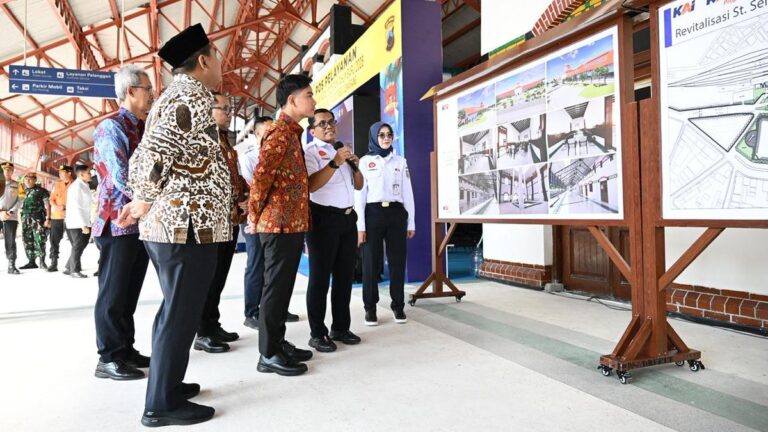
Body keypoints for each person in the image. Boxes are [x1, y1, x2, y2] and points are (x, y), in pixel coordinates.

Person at [122, 23, 231, 427]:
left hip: (185, 226)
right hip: (184, 227)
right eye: (216, 55)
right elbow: (150, 155)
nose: (220, 63)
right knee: (180, 313)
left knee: (177, 310)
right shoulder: (190, 97)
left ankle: (168, 383)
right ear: (203, 61)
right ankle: (160, 405)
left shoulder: (182, 97)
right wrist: (143, 199)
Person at [247, 74, 315, 377]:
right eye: (309, 95)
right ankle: (268, 353)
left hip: (290, 223)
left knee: (283, 287)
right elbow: (261, 179)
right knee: (274, 289)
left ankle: (278, 341)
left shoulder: (291, 132)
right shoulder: (278, 133)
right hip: (277, 225)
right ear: (292, 101)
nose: (313, 101)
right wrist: (254, 216)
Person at [92, 64, 154, 382]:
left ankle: (125, 348)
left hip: (138, 222)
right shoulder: (110, 128)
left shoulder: (143, 128)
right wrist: (151, 197)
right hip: (116, 222)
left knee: (129, 293)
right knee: (113, 293)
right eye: (147, 89)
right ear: (130, 91)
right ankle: (109, 357)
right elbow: (121, 176)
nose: (151, 94)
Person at [304, 108, 363, 352]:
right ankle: (317, 333)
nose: (329, 126)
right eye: (322, 123)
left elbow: (358, 186)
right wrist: (335, 163)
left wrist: (354, 166)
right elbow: (311, 185)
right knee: (319, 279)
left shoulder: (342, 150)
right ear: (312, 130)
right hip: (322, 220)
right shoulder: (309, 152)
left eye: (331, 121)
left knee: (344, 277)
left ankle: (341, 327)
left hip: (348, 219)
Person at [193, 92, 248, 354]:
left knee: (219, 277)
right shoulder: (203, 140)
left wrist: (246, 194)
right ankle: (202, 331)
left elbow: (234, 177)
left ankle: (212, 324)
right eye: (223, 108)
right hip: (212, 221)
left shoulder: (225, 141)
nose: (228, 112)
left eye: (229, 108)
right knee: (207, 278)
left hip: (231, 219)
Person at [236, 116, 300, 329]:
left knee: (275, 268)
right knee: (257, 263)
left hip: (276, 218)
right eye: (265, 133)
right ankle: (252, 311)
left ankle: (276, 309)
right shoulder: (250, 157)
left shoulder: (281, 150)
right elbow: (255, 185)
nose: (270, 137)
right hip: (256, 217)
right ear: (256, 135)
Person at [355, 122, 415, 326]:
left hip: (396, 214)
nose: (386, 138)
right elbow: (359, 196)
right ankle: (370, 308)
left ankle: (398, 307)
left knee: (398, 262)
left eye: (389, 134)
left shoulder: (400, 161)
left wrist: (411, 222)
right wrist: (360, 227)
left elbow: (408, 193)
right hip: (373, 213)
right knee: (371, 263)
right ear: (374, 137)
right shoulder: (364, 162)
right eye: (381, 135)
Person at [63, 164, 92, 278]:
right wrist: (83, 224)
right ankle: (74, 270)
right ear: (81, 174)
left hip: (83, 220)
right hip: (77, 222)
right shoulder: (77, 187)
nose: (90, 175)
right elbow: (76, 207)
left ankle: (68, 267)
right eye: (89, 173)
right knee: (78, 245)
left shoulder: (84, 185)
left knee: (79, 245)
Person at [19, 172, 50, 270]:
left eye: (30, 179)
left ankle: (42, 262)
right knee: (27, 240)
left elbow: (47, 205)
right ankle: (31, 262)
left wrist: (48, 218)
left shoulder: (41, 191)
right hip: (25, 219)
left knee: (39, 239)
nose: (28, 181)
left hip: (38, 219)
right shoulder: (22, 191)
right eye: (26, 179)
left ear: (35, 180)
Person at [48, 165, 73, 272]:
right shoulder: (57, 184)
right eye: (60, 172)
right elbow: (51, 199)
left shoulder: (76, 184)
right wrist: (56, 206)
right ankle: (53, 263)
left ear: (69, 173)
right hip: (57, 217)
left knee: (74, 241)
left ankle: (74, 263)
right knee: (54, 241)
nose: (60, 174)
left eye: (62, 172)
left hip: (71, 217)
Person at [0, 162, 21, 274]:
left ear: (12, 171)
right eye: (4, 170)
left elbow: (21, 200)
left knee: (10, 242)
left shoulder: (18, 185)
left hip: (11, 217)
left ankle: (11, 265)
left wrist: (10, 211)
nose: (6, 172)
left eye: (9, 170)